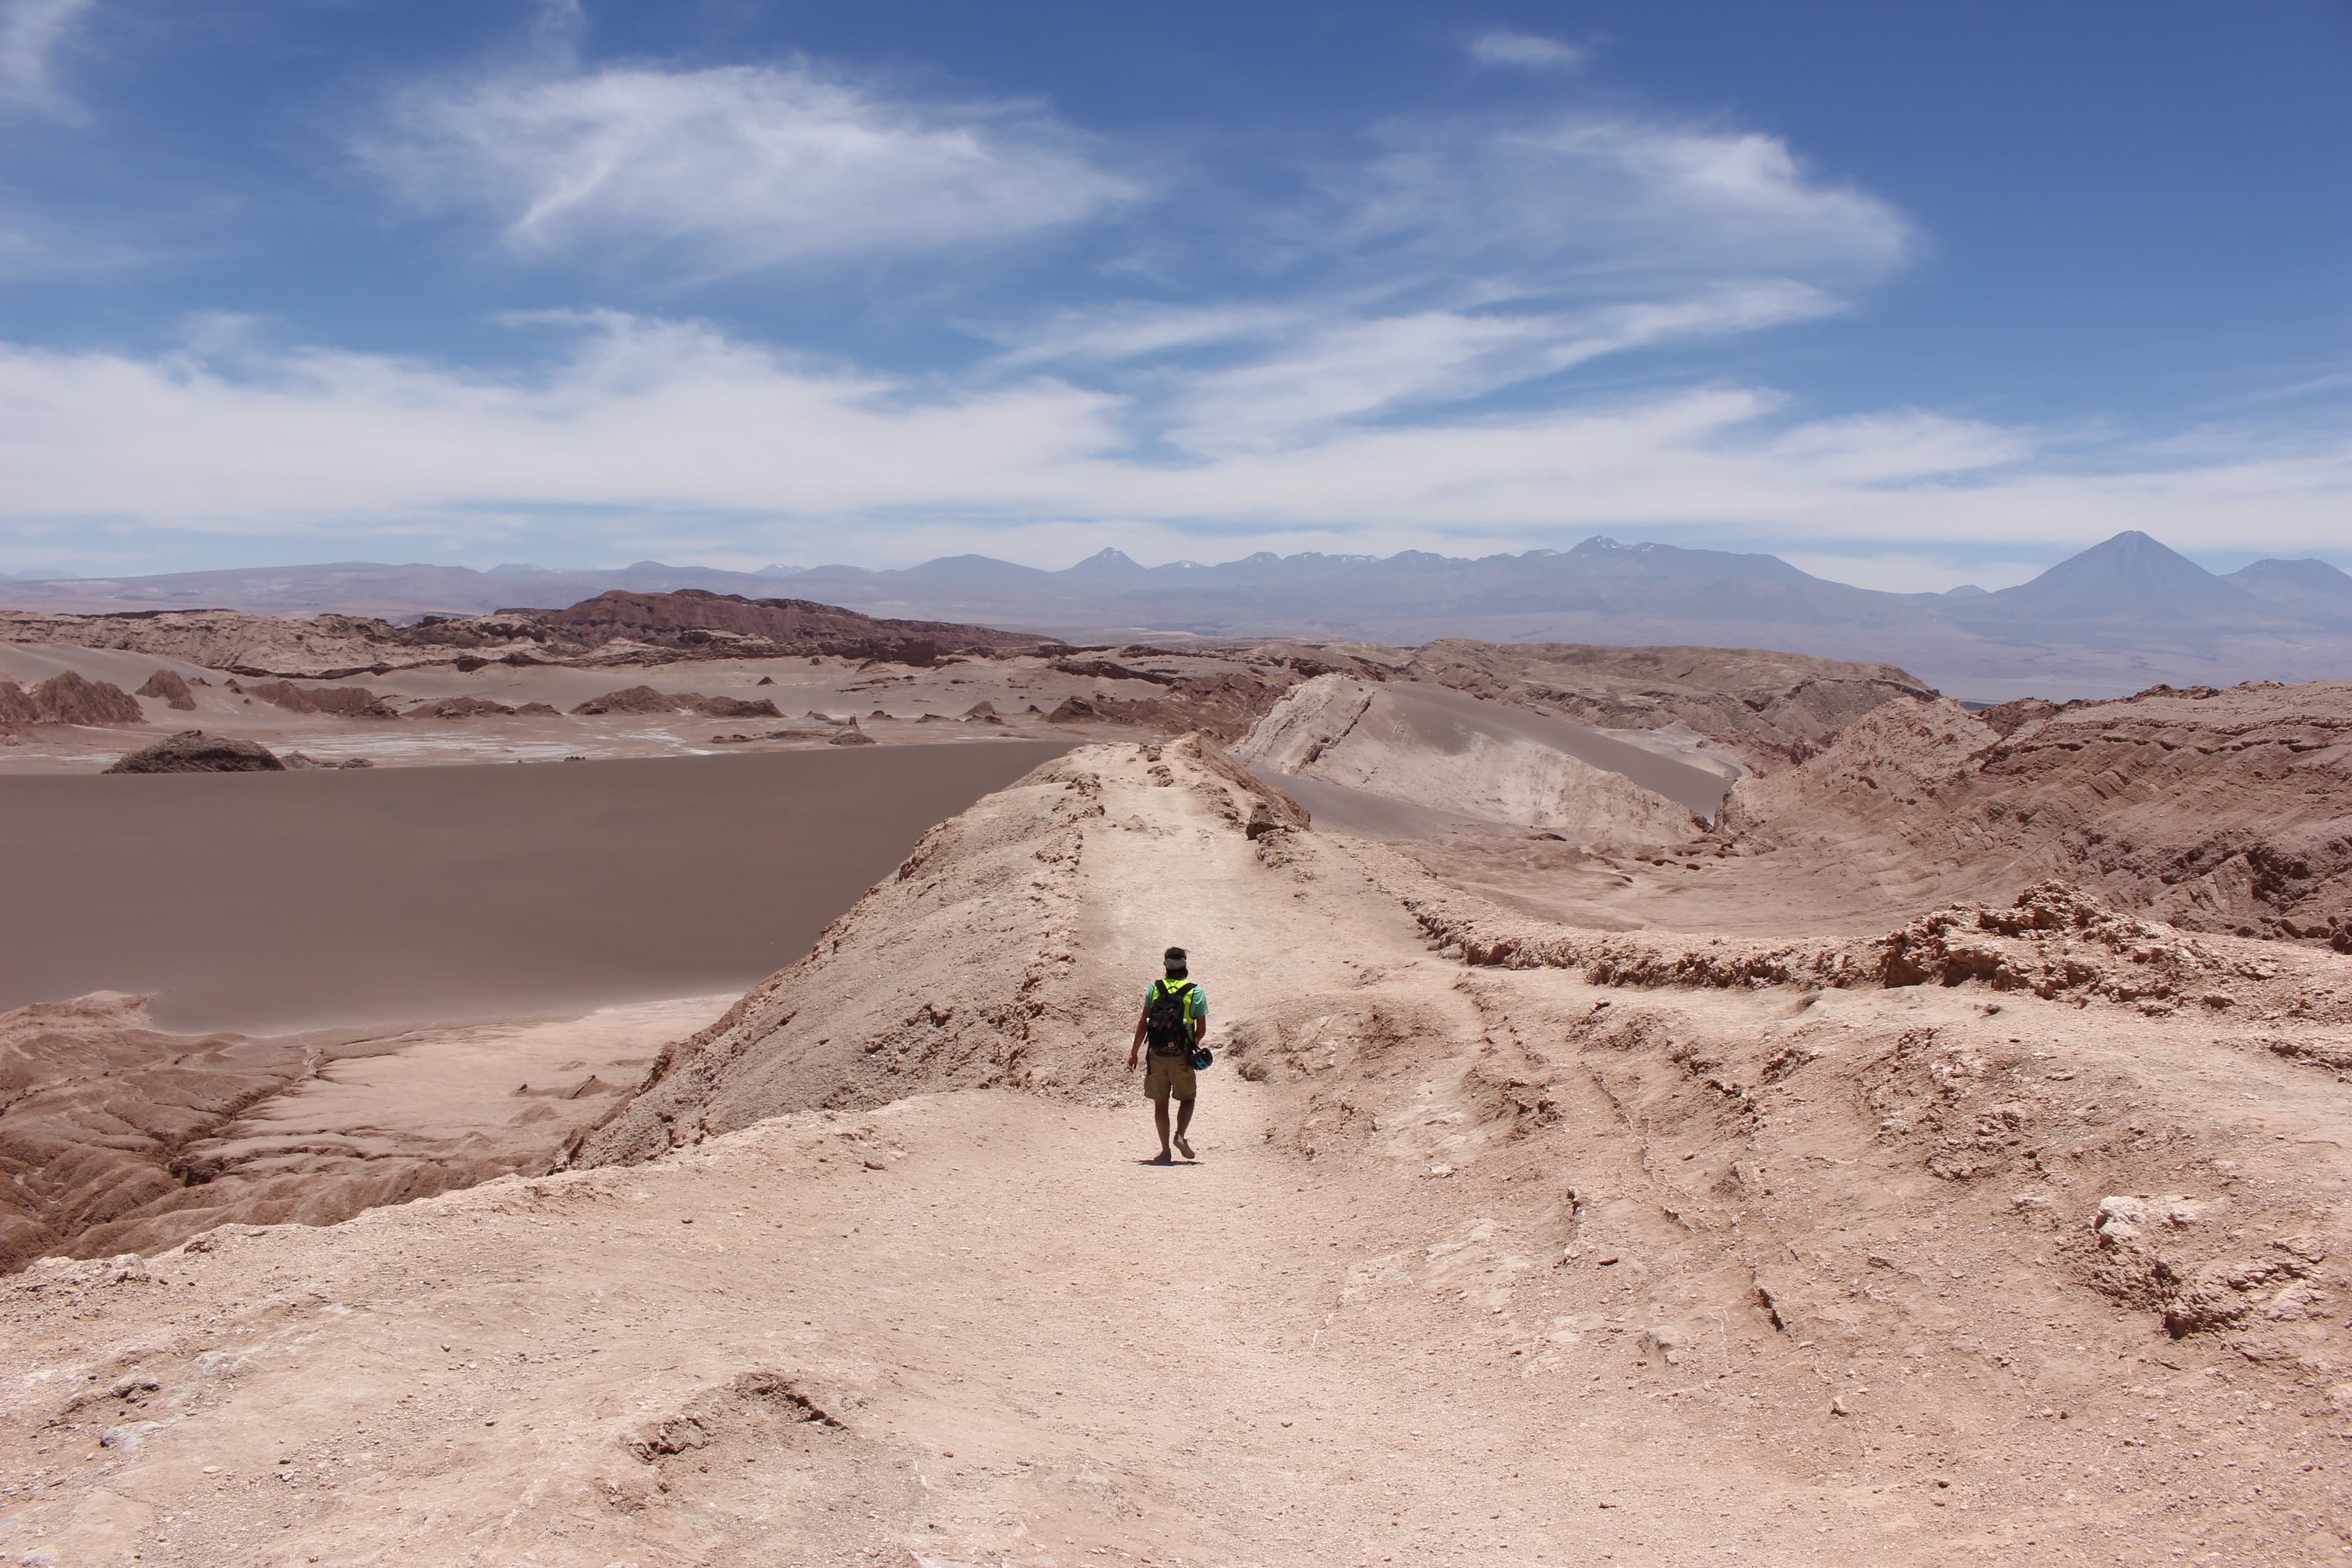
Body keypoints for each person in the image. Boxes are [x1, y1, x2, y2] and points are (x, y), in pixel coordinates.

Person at [1128, 945, 1207, 1164]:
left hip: (1156, 1054)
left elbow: (1143, 1022)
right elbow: (1201, 1029)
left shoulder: (1154, 989)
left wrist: (1134, 1052)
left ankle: (1165, 1151)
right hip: (1181, 1055)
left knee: (1161, 1103)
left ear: (1166, 966)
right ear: (1185, 966)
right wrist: (1193, 1045)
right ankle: (1180, 1136)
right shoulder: (1195, 992)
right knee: (1188, 1099)